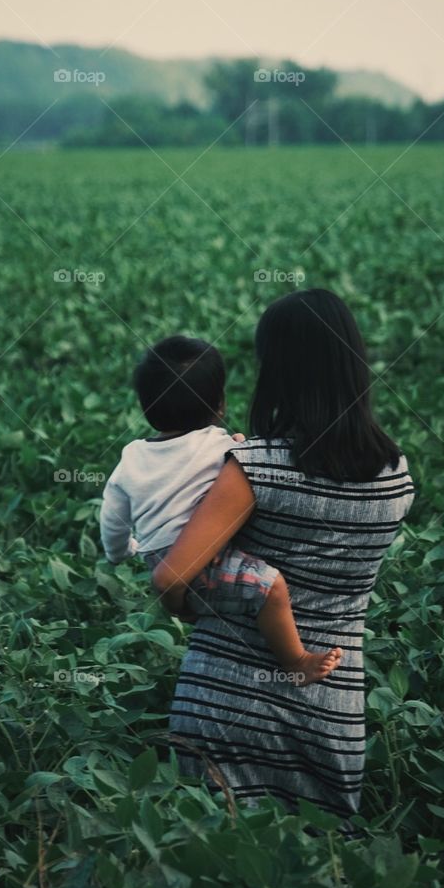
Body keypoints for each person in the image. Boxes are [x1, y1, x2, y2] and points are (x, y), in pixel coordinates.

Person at [151, 290, 415, 837]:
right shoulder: (396, 476)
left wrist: (190, 607)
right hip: (330, 712)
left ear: (278, 370)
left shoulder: (253, 467)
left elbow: (171, 576)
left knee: (212, 881)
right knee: (320, 887)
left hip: (223, 706)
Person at [99, 334, 342, 685]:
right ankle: (296, 661)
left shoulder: (132, 456)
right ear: (220, 405)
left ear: (146, 406)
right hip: (197, 563)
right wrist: (241, 444)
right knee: (270, 587)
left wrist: (120, 552)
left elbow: (112, 514)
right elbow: (246, 464)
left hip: (156, 555)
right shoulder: (218, 445)